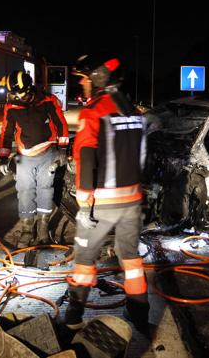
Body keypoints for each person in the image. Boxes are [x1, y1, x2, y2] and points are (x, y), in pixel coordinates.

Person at [63, 54, 150, 336]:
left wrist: (83, 196)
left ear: (98, 78)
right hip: (132, 201)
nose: (84, 85)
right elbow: (142, 156)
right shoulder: (134, 113)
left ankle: (73, 317)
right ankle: (138, 314)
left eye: (85, 79)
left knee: (85, 259)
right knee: (131, 259)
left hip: (102, 203)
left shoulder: (94, 111)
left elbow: (86, 154)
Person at [0, 70, 69, 248]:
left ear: (30, 89)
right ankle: (27, 229)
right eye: (15, 95)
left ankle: (43, 227)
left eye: (21, 94)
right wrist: (4, 156)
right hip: (24, 157)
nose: (18, 98)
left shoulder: (48, 101)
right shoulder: (12, 107)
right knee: (25, 192)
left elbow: (61, 124)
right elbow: (6, 133)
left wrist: (62, 149)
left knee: (45, 189)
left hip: (47, 153)